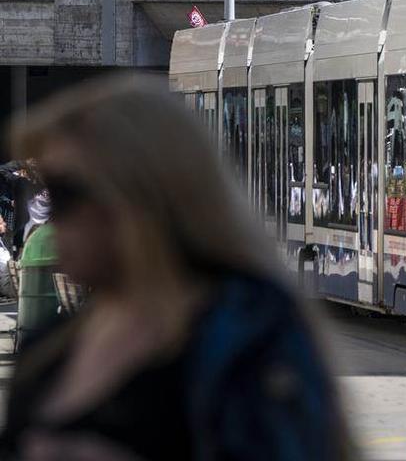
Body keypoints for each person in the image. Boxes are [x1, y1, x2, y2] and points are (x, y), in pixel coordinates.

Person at [0, 75, 352, 461]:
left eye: (66, 193)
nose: (51, 214)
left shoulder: (246, 338)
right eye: (43, 188)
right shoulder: (50, 346)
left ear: (139, 195)